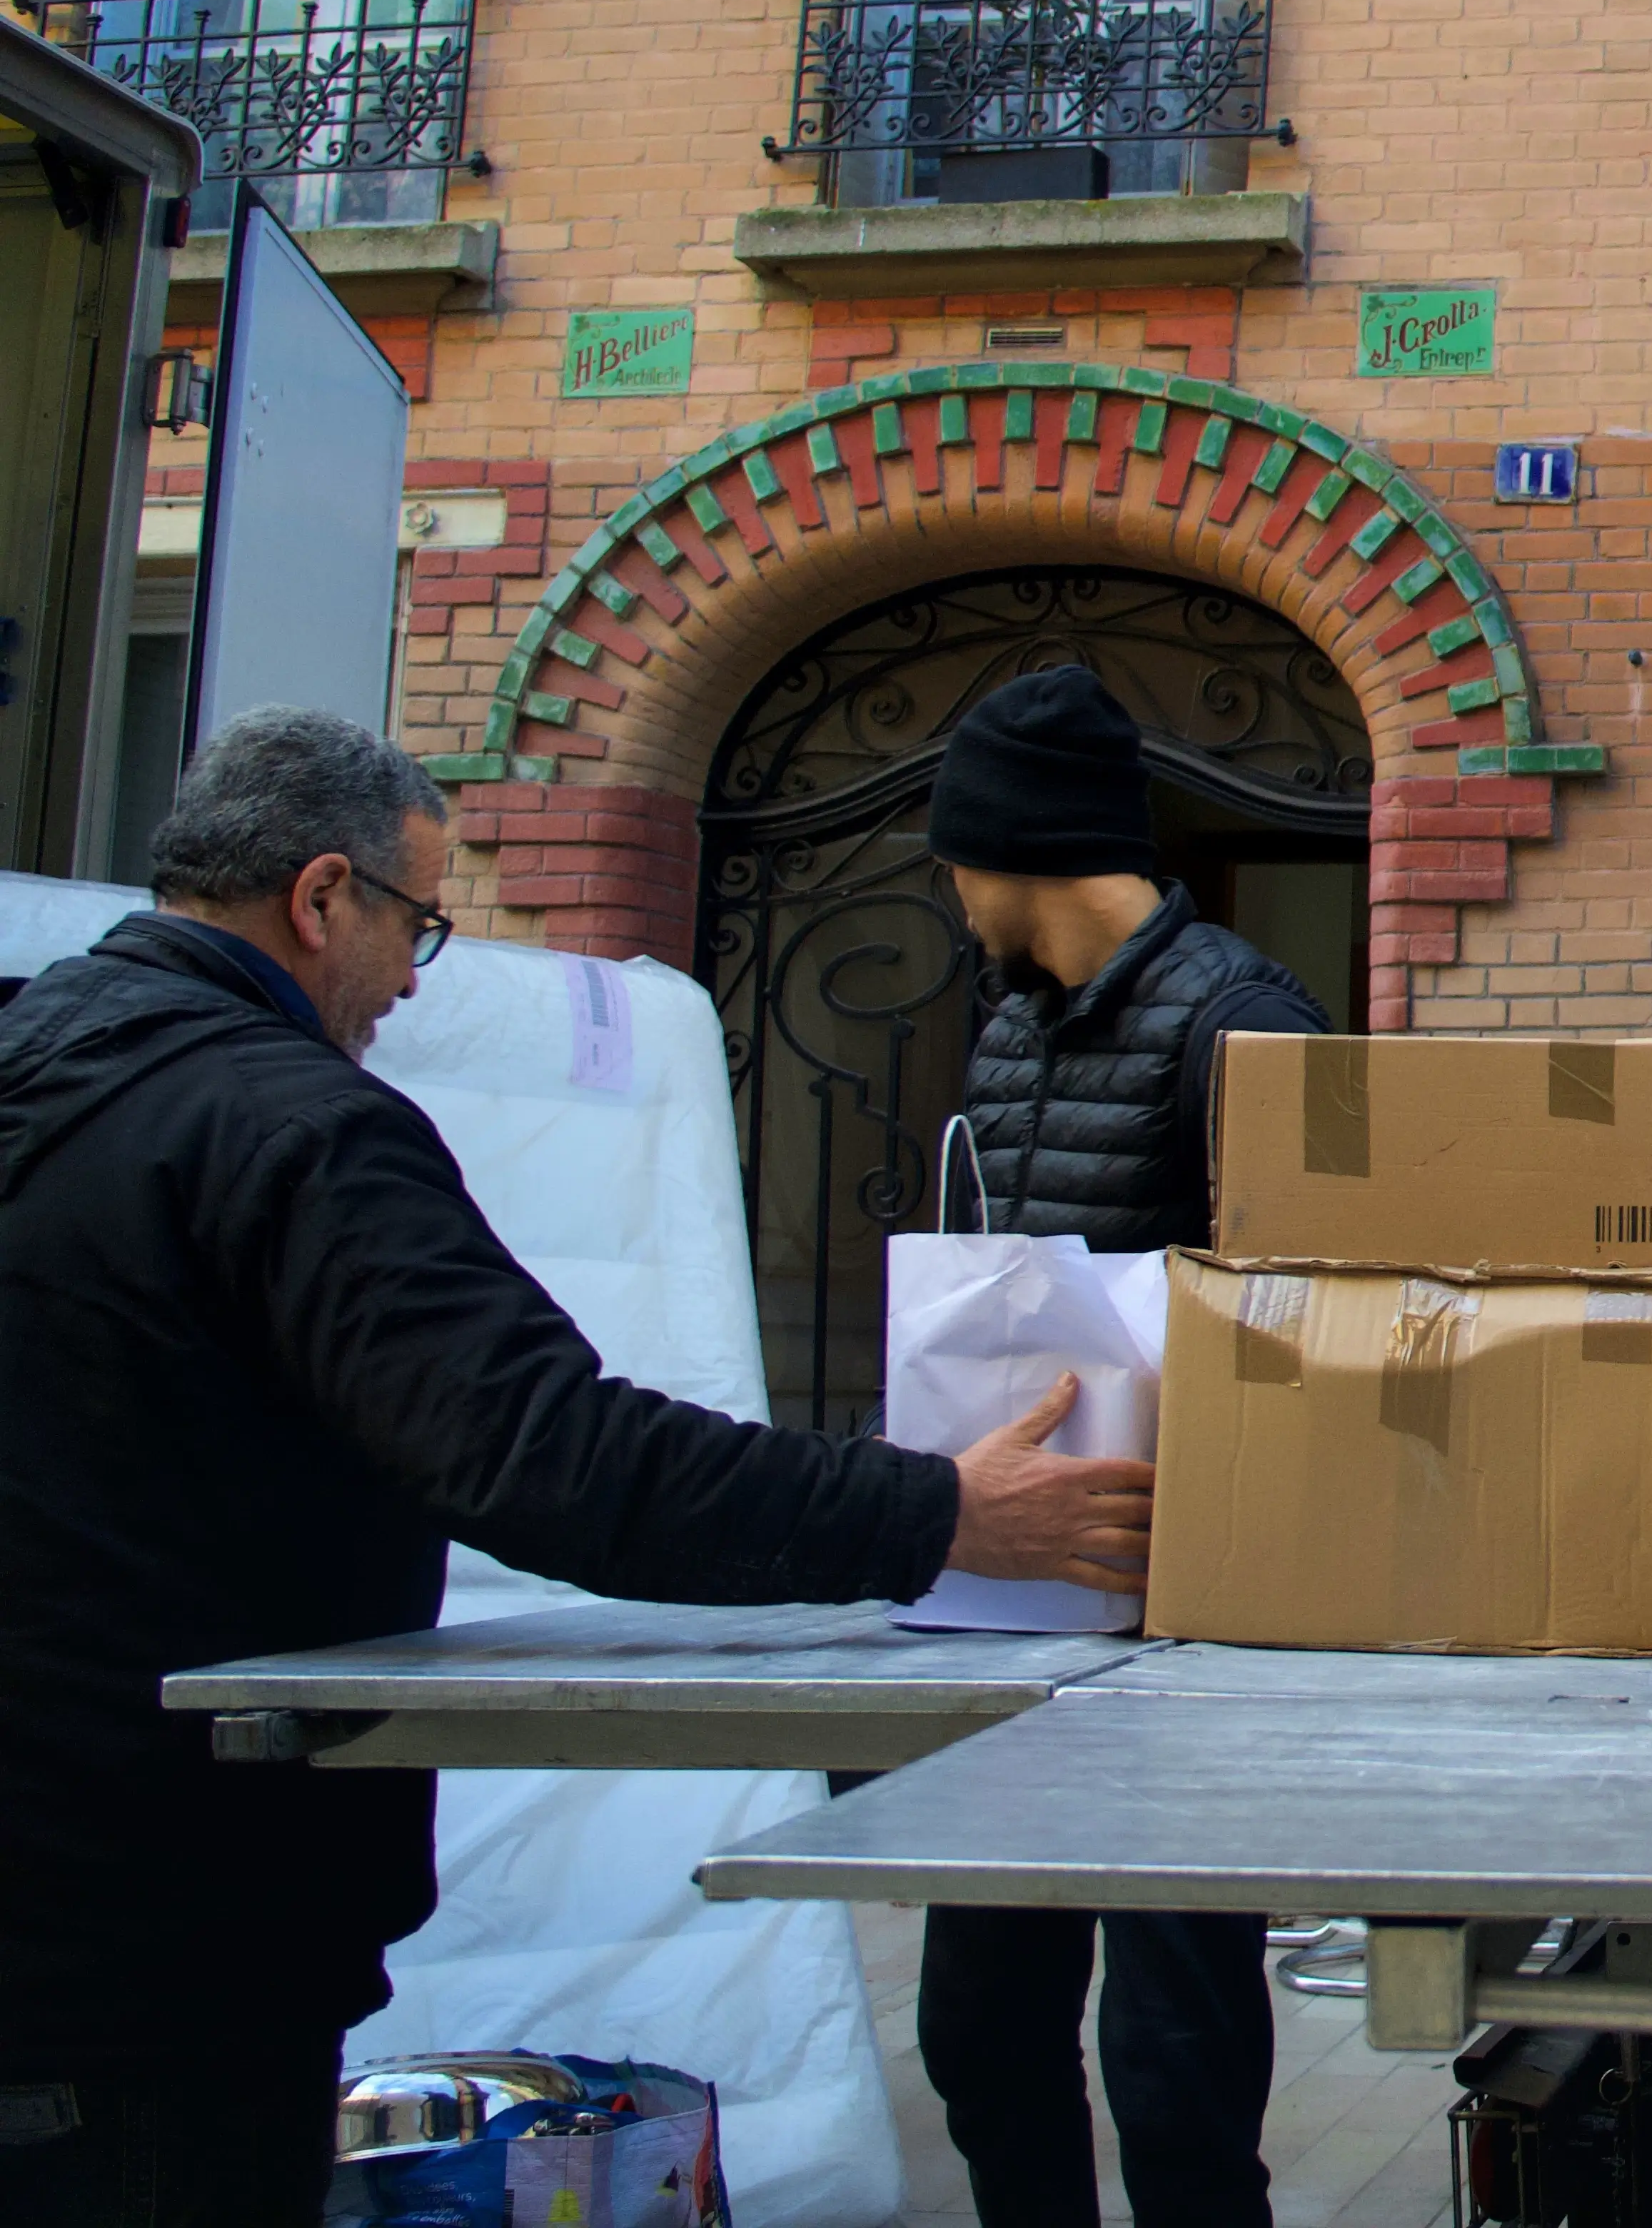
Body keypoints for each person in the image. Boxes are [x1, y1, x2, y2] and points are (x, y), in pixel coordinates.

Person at [0, 706, 1156, 2228]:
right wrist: (944, 1510)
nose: (415, 978)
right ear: (323, 897)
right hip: (145, 1952)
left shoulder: (40, 1064)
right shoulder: (289, 1129)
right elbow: (559, 1458)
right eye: (418, 922)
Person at [913, 666, 1326, 2228]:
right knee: (978, 2029)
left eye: (955, 863)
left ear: (1013, 849)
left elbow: (1311, 1322)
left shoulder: (1244, 1020)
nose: (953, 898)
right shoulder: (1012, 1027)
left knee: (1175, 2060)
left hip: (1180, 1607)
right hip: (1019, 1585)